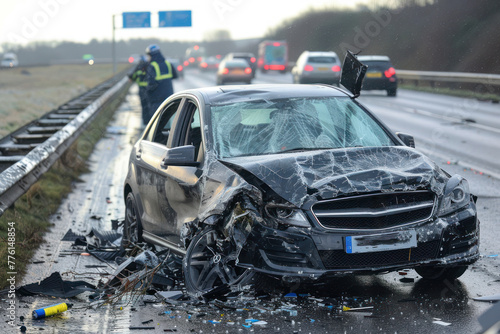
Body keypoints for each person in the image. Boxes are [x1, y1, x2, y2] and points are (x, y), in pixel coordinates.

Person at [144, 44, 178, 123]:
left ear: (151, 55)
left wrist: (146, 93)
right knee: (168, 122)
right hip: (169, 98)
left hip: (156, 100)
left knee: (157, 124)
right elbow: (175, 76)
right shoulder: (168, 64)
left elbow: (151, 85)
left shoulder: (152, 66)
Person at [127, 55, 150, 126]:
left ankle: (145, 122)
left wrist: (130, 77)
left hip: (142, 90)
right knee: (150, 106)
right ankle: (150, 122)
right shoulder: (150, 67)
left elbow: (133, 77)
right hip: (149, 90)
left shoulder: (138, 67)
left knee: (144, 106)